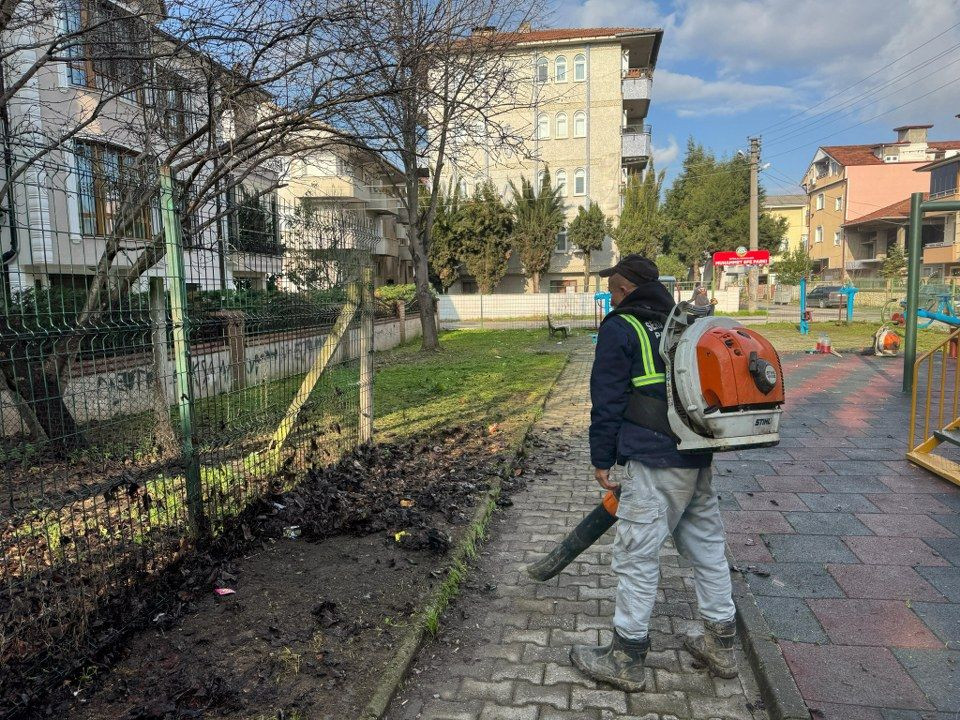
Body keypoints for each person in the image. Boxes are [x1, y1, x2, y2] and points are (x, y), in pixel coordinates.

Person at [569, 254, 738, 692]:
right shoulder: (682, 325)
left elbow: (607, 399)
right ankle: (721, 642)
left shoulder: (620, 328)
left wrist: (601, 457)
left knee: (635, 554)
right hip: (697, 453)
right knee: (706, 547)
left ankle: (627, 657)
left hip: (654, 458)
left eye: (612, 290)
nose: (609, 296)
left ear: (623, 290)